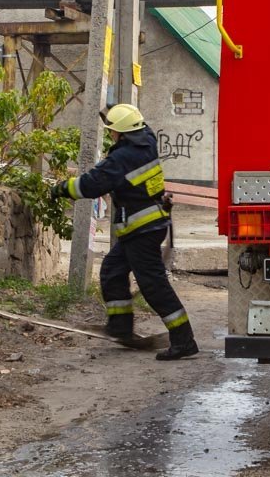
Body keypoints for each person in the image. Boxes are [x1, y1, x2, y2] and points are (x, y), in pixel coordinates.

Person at [53, 103, 198, 361]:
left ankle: (183, 340)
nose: (111, 135)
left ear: (120, 133)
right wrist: (113, 114)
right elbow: (134, 123)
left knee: (153, 285)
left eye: (112, 131)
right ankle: (120, 327)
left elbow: (91, 185)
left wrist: (61, 189)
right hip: (146, 226)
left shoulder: (122, 158)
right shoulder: (148, 139)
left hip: (141, 228)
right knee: (112, 271)